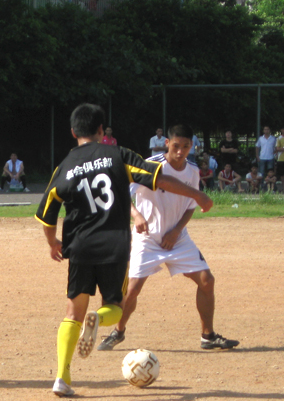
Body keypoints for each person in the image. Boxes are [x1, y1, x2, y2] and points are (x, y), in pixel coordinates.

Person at [36, 105, 213, 397]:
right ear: (102, 130)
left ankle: (62, 378)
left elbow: (46, 212)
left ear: (73, 132)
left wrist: (52, 242)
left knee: (72, 312)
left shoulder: (65, 165)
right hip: (114, 244)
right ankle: (100, 318)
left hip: (79, 244)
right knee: (115, 306)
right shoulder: (117, 155)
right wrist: (198, 194)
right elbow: (159, 179)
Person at [97, 124, 238, 354]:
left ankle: (208, 336)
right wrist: (136, 215)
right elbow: (121, 193)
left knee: (207, 281)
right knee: (132, 289)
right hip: (147, 238)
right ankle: (118, 331)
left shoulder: (192, 171)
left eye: (186, 146)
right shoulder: (150, 165)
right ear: (167, 144)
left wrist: (176, 231)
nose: (180, 152)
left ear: (192, 146)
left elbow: (191, 205)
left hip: (178, 238)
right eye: (176, 146)